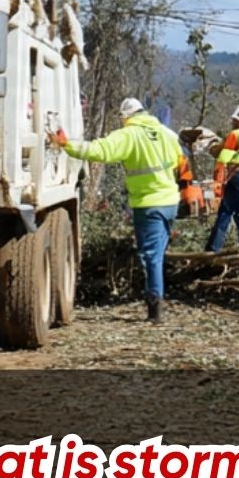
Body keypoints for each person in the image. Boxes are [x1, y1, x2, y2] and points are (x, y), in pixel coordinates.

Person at [52, 98, 186, 323]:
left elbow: (99, 150)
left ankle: (155, 308)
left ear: (126, 117)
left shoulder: (129, 135)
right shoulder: (166, 133)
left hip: (148, 204)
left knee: (151, 257)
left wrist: (67, 144)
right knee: (157, 255)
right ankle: (155, 302)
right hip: (171, 202)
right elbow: (180, 161)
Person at [206, 103, 239, 253]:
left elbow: (223, 159)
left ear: (238, 120)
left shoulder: (235, 134)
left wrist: (217, 182)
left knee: (225, 211)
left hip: (237, 175)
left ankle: (213, 249)